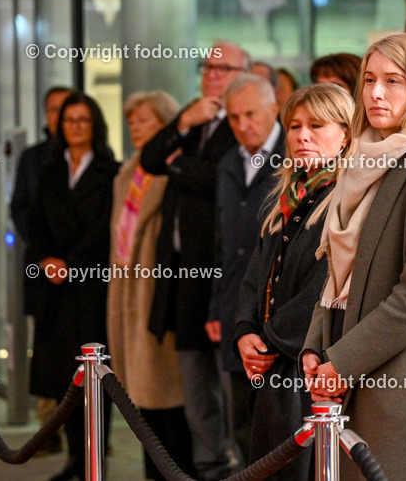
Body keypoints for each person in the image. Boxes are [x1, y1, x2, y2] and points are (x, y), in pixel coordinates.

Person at [301, 32, 406, 479]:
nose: (376, 92)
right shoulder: (363, 157)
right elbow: (340, 269)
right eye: (369, 79)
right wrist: (315, 346)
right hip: (346, 363)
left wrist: (343, 362)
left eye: (393, 80)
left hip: (402, 381)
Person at [141, 41, 250, 480]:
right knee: (195, 387)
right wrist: (183, 122)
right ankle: (207, 467)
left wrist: (179, 165)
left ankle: (235, 469)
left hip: (221, 273)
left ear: (244, 74)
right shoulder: (193, 120)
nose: (212, 74)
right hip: (182, 275)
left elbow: (225, 182)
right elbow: (152, 159)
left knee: (228, 386)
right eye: (207, 66)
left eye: (224, 68)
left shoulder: (244, 126)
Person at [233, 83, 352, 480]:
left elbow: (324, 287)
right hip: (273, 366)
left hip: (312, 365)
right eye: (295, 125)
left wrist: (269, 339)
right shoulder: (286, 196)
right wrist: (245, 331)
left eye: (317, 125)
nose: (302, 135)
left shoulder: (350, 199)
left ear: (347, 133)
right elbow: (256, 275)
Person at [28, 91, 118, 481]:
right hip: (55, 288)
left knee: (94, 377)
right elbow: (35, 225)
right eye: (69, 120)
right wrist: (46, 259)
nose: (75, 127)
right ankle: (74, 460)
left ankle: (93, 461)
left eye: (83, 120)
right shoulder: (48, 170)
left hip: (91, 286)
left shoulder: (110, 170)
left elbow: (106, 228)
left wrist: (71, 262)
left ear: (94, 125)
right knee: (64, 377)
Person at [108, 91, 193, 480]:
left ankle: (172, 472)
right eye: (131, 121)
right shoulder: (130, 170)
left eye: (144, 120)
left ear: (167, 125)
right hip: (127, 286)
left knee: (166, 393)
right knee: (140, 397)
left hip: (158, 287)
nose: (135, 127)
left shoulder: (176, 167)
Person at [206, 74, 284, 463]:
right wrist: (217, 308)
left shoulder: (296, 155)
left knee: (279, 423)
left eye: (250, 114)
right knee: (240, 418)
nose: (241, 125)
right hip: (235, 307)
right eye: (233, 117)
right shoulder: (228, 163)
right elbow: (222, 243)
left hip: (278, 313)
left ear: (274, 109)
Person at [10, 85, 73, 456]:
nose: (59, 116)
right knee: (46, 347)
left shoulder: (95, 156)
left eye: (66, 109)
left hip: (79, 270)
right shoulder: (32, 158)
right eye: (52, 109)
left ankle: (86, 427)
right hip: (43, 268)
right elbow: (20, 208)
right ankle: (48, 426)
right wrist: (44, 251)